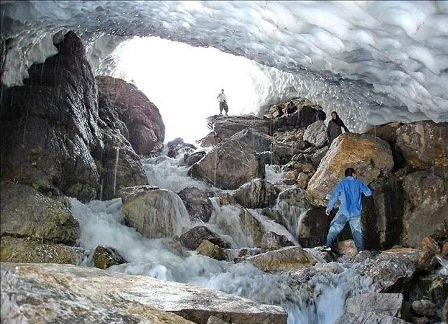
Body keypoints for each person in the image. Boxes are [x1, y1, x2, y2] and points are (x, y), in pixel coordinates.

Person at [323, 168, 372, 252]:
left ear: (346, 175)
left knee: (334, 227)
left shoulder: (341, 183)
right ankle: (361, 251)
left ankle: (328, 246)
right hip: (356, 213)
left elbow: (334, 196)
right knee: (357, 232)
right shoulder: (359, 183)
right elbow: (368, 193)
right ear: (353, 174)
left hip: (344, 212)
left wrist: (329, 208)